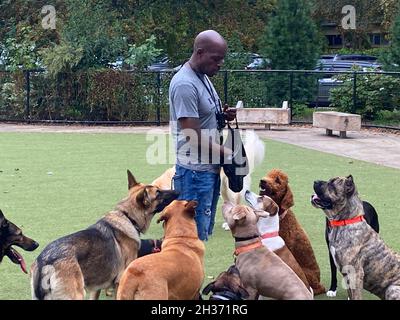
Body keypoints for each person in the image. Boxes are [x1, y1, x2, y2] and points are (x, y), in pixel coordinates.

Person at [169, 30, 236, 241]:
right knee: (190, 241)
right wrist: (227, 154)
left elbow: (203, 118)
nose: (220, 64)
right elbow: (192, 134)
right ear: (200, 52)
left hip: (208, 170)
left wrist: (222, 116)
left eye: (222, 59)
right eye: (216, 59)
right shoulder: (185, 84)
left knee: (202, 233)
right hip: (194, 174)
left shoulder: (203, 77)